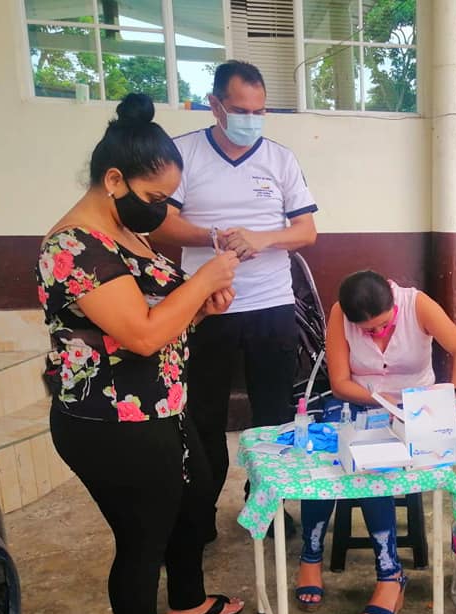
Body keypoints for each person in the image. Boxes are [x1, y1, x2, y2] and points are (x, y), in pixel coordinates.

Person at [36, 93, 245, 614]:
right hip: (111, 421)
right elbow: (144, 334)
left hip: (163, 406)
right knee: (142, 536)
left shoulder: (127, 234)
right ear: (113, 180)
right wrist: (202, 281)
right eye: (154, 197)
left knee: (194, 499)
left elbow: (166, 319)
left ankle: (187, 601)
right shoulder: (72, 248)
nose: (159, 211)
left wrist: (201, 306)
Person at [151, 60, 319, 540]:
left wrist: (263, 238)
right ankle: (199, 512)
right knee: (203, 414)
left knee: (274, 416)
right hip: (205, 306)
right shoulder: (182, 155)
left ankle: (265, 507)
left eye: (259, 111)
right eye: (241, 109)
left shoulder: (280, 159)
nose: (251, 119)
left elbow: (306, 231)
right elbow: (160, 225)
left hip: (272, 307)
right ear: (215, 105)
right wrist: (213, 236)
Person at [295, 270, 456, 614]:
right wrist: (382, 398)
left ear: (394, 302)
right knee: (323, 459)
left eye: (383, 325)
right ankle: (310, 558)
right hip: (359, 402)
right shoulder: (340, 313)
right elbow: (340, 383)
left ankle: (390, 574)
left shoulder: (417, 304)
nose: (376, 333)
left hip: (415, 411)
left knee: (372, 467)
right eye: (367, 331)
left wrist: (452, 397)